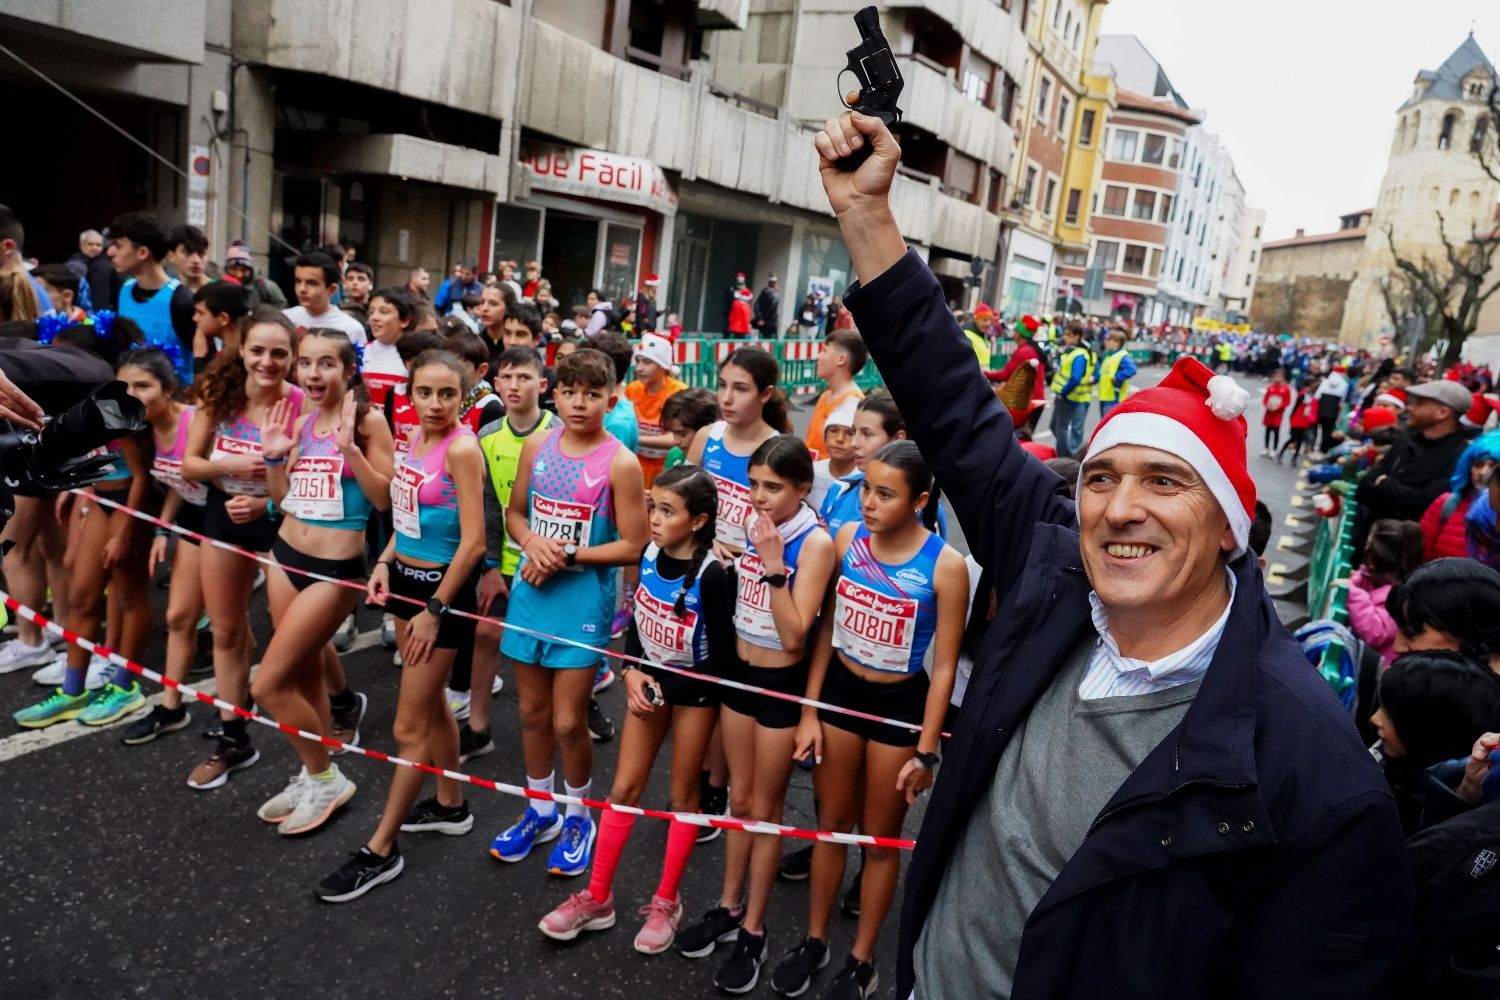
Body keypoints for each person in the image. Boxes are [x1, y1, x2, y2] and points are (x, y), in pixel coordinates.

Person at [813, 106, 1411, 998]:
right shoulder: (1054, 573)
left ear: (1228, 527)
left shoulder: (1312, 773)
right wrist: (866, 216)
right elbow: (954, 408)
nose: (1121, 510)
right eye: (1100, 479)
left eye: (1166, 484)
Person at [774, 441, 965, 998]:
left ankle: (862, 959)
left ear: (920, 499)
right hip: (838, 696)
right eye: (865, 490)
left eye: (886, 494)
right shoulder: (846, 538)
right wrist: (809, 710)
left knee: (880, 841)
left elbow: (947, 665)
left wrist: (927, 751)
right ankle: (815, 939)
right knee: (830, 823)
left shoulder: (945, 566)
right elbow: (828, 630)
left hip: (899, 707)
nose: (870, 504)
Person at [314, 349, 487, 901]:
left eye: (448, 395)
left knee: (407, 728)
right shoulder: (416, 439)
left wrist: (435, 611)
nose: (435, 404)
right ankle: (451, 803)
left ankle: (381, 850)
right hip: (408, 580)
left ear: (465, 397)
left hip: (442, 594)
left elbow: (475, 542)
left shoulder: (462, 448)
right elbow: (399, 505)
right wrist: (385, 561)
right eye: (425, 393)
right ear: (410, 394)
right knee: (430, 703)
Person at [538, 466, 734, 953]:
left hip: (695, 694)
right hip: (649, 682)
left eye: (667, 511)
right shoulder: (647, 554)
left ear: (698, 521)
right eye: (653, 507)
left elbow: (726, 656)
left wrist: (676, 681)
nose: (654, 518)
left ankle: (668, 900)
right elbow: (636, 620)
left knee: (682, 797)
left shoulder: (714, 573)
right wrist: (630, 672)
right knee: (624, 787)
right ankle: (597, 896)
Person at [676, 437, 835, 996]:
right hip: (738, 675)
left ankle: (755, 928)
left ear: (801, 489)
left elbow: (796, 635)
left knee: (765, 810)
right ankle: (727, 904)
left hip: (779, 686)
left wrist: (772, 568)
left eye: (774, 487)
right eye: (754, 485)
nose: (760, 498)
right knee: (738, 801)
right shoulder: (749, 520)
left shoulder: (812, 543)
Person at [489, 349, 648, 876]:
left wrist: (567, 555)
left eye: (592, 393)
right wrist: (532, 541)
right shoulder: (540, 443)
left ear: (611, 398)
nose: (580, 403)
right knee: (531, 714)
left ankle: (580, 815)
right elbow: (514, 515)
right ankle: (541, 809)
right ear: (555, 394)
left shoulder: (620, 461)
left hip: (581, 601)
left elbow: (634, 545)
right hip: (533, 590)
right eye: (570, 391)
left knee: (567, 720)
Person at [248, 329, 393, 836]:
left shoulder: (369, 420)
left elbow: (383, 500)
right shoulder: (304, 423)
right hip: (285, 555)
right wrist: (271, 458)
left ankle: (327, 777)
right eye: (305, 364)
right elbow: (284, 498)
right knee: (302, 674)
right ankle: (312, 774)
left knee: (265, 684)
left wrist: (351, 450)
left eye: (326, 363)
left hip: (335, 570)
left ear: (348, 370)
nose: (312, 374)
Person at [179, 308, 305, 789]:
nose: (267, 362)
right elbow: (189, 464)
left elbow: (312, 483)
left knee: (293, 634)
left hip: (281, 521)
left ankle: (335, 708)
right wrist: (235, 464)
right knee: (228, 633)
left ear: (292, 357)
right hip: (222, 515)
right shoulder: (220, 393)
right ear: (242, 351)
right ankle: (235, 740)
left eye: (278, 353)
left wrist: (267, 507)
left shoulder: (301, 403)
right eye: (257, 351)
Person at [13, 320, 153, 728]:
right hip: (96, 498)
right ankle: (73, 690)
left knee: (129, 599)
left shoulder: (118, 402)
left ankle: (125, 685)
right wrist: (77, 497)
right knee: (80, 595)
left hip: (128, 504)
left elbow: (143, 477)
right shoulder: (85, 399)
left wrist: (127, 529)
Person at [470, 346, 559, 761]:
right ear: (496, 384)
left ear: (542, 385)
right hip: (503, 560)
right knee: (486, 634)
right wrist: (488, 563)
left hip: (548, 562)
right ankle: (477, 725)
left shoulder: (559, 430)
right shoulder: (487, 436)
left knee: (547, 650)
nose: (514, 385)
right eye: (506, 377)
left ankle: (575, 705)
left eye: (524, 377)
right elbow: (487, 503)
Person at [118, 349, 210, 744]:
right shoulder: (142, 432)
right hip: (191, 521)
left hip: (228, 525)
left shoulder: (196, 422)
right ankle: (172, 707)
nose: (132, 394)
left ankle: (240, 708)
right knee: (177, 617)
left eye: (143, 386)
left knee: (229, 628)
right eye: (124, 387)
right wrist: (161, 531)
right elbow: (177, 485)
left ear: (169, 389)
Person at [1370, 649, 1500, 834]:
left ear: (1430, 732)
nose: (1375, 719)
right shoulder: (1390, 766)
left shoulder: (1410, 821)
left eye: (1392, 715)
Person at [688, 347, 791, 557]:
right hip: (701, 557)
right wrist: (705, 539)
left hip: (751, 567)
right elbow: (681, 499)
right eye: (722, 385)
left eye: (741, 389)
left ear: (766, 394)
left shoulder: (780, 451)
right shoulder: (706, 436)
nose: (726, 398)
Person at [1354, 378, 1471, 561]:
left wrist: (1386, 484)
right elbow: (1365, 488)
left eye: (1420, 403)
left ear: (1442, 412)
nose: (1410, 408)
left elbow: (1426, 503)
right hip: (1368, 544)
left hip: (1402, 559)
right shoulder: (1405, 440)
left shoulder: (1461, 457)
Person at [110, 212, 196, 384]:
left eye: (118, 246)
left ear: (142, 252)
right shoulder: (124, 290)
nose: (111, 252)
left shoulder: (181, 299)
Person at [1345, 519, 1424, 665]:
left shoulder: (1399, 599)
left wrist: (1351, 592)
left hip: (1375, 672)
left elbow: (1374, 631)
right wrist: (1356, 579)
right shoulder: (1377, 581)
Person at [1420, 429, 1500, 562]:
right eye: (1477, 465)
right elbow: (1420, 558)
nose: (1482, 473)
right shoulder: (1446, 504)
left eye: (1493, 466)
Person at [625, 331, 687, 488]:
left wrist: (635, 439)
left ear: (663, 365)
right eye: (638, 361)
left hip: (667, 468)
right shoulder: (632, 390)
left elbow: (679, 438)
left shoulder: (678, 392)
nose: (639, 368)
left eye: (647, 362)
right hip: (635, 464)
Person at [806, 329, 867, 461]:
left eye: (824, 351)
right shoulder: (826, 395)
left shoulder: (852, 404)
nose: (818, 356)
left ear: (841, 359)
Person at [283, 251, 367, 345]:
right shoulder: (285, 319)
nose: (302, 289)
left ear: (331, 289)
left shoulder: (350, 329)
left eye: (311, 283)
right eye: (298, 281)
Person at [988, 314, 1047, 432]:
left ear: (1020, 334)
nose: (1013, 333)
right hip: (1033, 403)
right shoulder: (1031, 348)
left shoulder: (1024, 351)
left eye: (1015, 330)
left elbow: (1004, 375)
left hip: (1027, 404)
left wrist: (983, 373)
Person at [362, 287, 415, 406]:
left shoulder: (416, 357)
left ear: (405, 320)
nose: (374, 318)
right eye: (371, 312)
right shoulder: (358, 352)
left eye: (384, 312)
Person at [1047, 321, 1093, 456]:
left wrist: (1063, 392)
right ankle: (1067, 455)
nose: (1065, 337)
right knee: (1055, 427)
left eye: (1068, 335)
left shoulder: (1078, 354)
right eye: (1065, 334)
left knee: (1060, 428)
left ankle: (1064, 457)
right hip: (1064, 397)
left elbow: (1075, 378)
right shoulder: (1071, 351)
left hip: (1068, 398)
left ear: (1077, 336)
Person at [190, 281, 251, 376]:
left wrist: (199, 359)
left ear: (223, 318)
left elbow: (207, 390)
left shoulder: (242, 361)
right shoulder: (226, 350)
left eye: (201, 313)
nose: (194, 318)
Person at [808, 399, 857, 512]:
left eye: (850, 433)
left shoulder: (864, 478)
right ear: (824, 436)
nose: (840, 439)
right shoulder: (812, 472)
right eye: (833, 431)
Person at [661, 387, 720, 474]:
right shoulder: (674, 455)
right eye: (673, 433)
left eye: (683, 434)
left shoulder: (718, 463)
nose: (676, 441)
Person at [223, 241, 287, 310]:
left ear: (250, 269)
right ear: (227, 269)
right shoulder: (221, 287)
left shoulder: (267, 287)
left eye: (243, 270)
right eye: (234, 269)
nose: (239, 275)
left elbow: (282, 307)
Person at [1095, 329, 1136, 420]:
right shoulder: (1109, 355)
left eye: (1109, 339)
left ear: (1117, 343)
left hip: (1114, 397)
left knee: (1108, 427)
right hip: (1106, 395)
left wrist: (1118, 377)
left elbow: (1131, 369)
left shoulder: (1122, 355)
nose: (1106, 342)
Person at [1279, 374, 1319, 465]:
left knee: (1300, 440)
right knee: (1293, 438)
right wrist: (1291, 418)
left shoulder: (1311, 394)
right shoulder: (1302, 394)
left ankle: (1294, 458)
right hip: (1297, 420)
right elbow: (1295, 407)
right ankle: (1281, 453)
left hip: (1304, 421)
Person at [1314, 364, 1351, 455]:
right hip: (1333, 412)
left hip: (1321, 410)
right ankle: (1323, 449)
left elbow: (1317, 396)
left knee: (1321, 429)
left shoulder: (1325, 382)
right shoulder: (1345, 384)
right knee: (1329, 431)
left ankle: (1318, 447)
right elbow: (1342, 401)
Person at [168, 224, 211, 294]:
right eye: (188, 253)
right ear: (171, 256)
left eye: (201, 253)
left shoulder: (222, 292)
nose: (196, 260)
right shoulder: (165, 294)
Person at [1260, 367, 1292, 458]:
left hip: (1278, 414)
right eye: (1276, 376)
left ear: (1283, 378)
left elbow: (1287, 401)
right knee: (1267, 431)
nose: (1277, 378)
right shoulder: (1270, 388)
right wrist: (1267, 405)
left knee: (1276, 432)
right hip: (1269, 413)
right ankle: (1266, 448)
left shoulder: (1286, 389)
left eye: (1279, 377)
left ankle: (1274, 449)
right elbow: (1265, 399)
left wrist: (1278, 407)